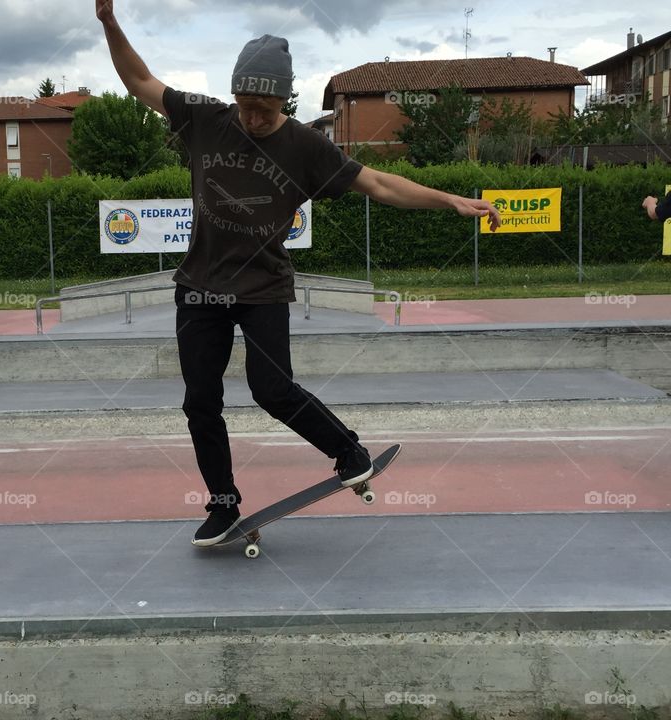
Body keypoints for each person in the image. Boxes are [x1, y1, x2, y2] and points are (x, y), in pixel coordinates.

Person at [96, 0, 501, 546]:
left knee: (273, 389)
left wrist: (449, 199)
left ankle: (347, 452)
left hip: (262, 288)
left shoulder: (307, 146)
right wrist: (110, 24)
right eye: (245, 106)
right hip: (198, 290)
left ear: (286, 99)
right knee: (200, 402)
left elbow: (379, 184)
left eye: (264, 108)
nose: (253, 118)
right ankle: (222, 503)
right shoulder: (204, 117)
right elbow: (139, 79)